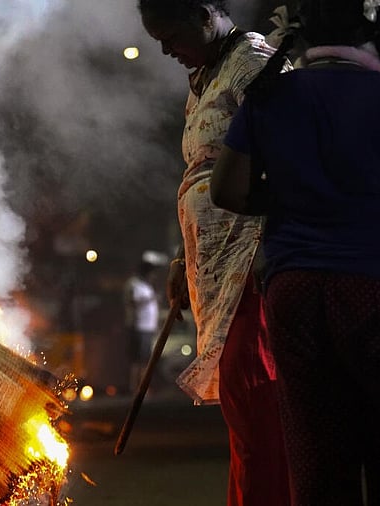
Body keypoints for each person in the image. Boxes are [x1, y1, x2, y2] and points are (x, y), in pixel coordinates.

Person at [211, 1, 380, 503]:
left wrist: (296, 200)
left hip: (294, 291)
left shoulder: (271, 95)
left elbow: (226, 191)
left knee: (317, 456)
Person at [138, 1, 290, 505]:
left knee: (257, 403)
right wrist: (186, 259)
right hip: (216, 264)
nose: (165, 49)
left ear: (204, 14)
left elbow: (288, 156)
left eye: (169, 34)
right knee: (243, 411)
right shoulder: (208, 75)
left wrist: (272, 251)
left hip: (252, 262)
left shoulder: (255, 64)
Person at [122, 259, 159, 394]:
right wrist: (151, 299)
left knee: (145, 359)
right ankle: (136, 387)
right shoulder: (133, 284)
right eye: (152, 273)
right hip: (138, 326)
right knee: (138, 359)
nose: (153, 276)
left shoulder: (146, 286)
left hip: (147, 327)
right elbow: (132, 302)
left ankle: (142, 387)